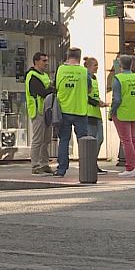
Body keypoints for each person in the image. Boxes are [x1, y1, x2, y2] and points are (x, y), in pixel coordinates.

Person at [54, 47, 90, 178]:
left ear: (67, 56)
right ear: (79, 57)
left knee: (64, 140)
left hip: (64, 110)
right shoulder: (84, 71)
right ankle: (86, 168)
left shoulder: (61, 70)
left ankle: (61, 169)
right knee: (84, 142)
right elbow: (89, 89)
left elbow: (57, 86)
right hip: (80, 110)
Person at [111, 55, 135, 177]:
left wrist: (112, 111)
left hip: (122, 112)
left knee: (126, 140)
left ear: (120, 65)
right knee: (134, 139)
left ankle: (130, 167)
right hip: (134, 111)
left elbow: (116, 99)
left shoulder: (118, 78)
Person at [27, 52, 54, 175]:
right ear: (36, 62)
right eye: (44, 61)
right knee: (38, 139)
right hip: (38, 110)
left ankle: (44, 164)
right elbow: (43, 92)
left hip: (47, 110)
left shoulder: (44, 75)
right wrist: (51, 89)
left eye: (47, 60)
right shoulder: (32, 75)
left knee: (46, 139)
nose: (46, 63)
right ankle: (35, 165)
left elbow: (49, 90)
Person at [83, 56, 108, 175]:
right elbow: (85, 96)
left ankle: (93, 162)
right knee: (92, 139)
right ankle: (91, 164)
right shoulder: (85, 78)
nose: (97, 67)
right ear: (88, 67)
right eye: (95, 65)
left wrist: (100, 102)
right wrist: (97, 102)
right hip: (89, 112)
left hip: (96, 112)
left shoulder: (94, 78)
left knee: (100, 138)